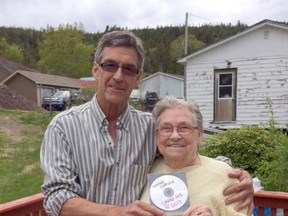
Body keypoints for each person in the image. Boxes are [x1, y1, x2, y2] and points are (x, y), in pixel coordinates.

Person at [40, 30, 254, 216]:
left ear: (138, 78)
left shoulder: (149, 128)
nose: (118, 76)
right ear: (96, 71)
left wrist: (234, 175)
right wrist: (119, 212)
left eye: (128, 69)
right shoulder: (63, 127)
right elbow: (57, 198)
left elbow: (184, 152)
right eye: (110, 65)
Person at [141, 96, 249, 215]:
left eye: (184, 128)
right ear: (156, 135)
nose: (175, 136)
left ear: (199, 134)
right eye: (166, 128)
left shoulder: (224, 175)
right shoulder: (148, 168)